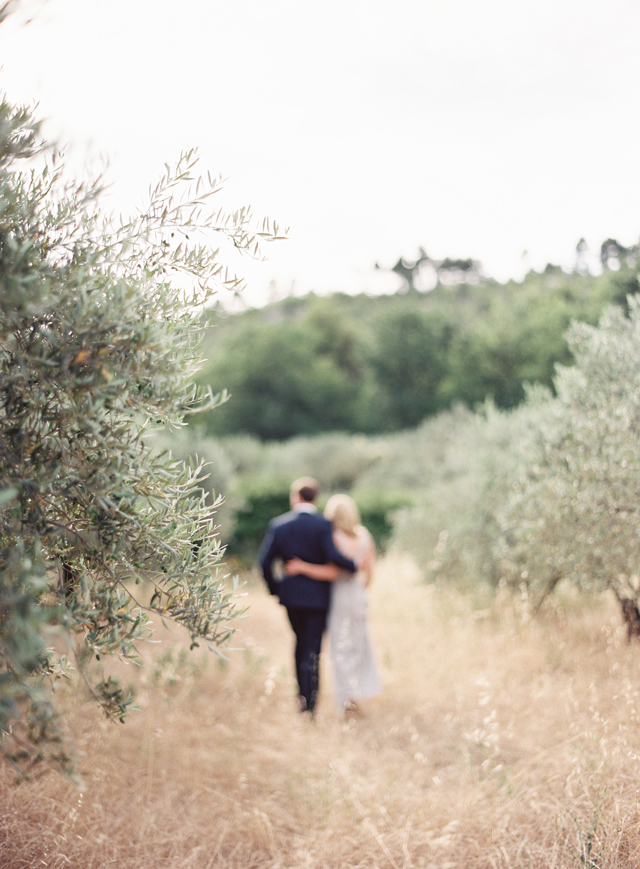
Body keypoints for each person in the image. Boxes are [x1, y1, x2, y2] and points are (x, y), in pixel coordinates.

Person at [258, 477, 357, 716]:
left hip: (291, 598)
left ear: (296, 497)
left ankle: (302, 700)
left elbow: (264, 562)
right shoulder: (323, 525)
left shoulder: (280, 525)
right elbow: (334, 556)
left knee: (299, 644)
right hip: (317, 600)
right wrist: (353, 565)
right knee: (313, 649)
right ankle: (311, 705)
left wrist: (277, 589)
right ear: (315, 498)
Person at [284, 494, 381, 717]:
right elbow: (369, 575)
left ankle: (345, 700)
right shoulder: (365, 536)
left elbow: (333, 572)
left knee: (340, 647)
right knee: (358, 645)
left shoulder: (333, 536)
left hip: (338, 596)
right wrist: (359, 592)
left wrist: (301, 567)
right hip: (358, 596)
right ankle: (355, 695)